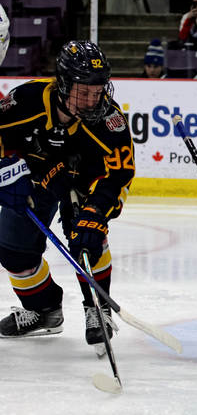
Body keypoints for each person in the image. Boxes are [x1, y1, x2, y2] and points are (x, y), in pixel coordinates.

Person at [0, 41, 135, 352]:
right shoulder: (27, 100)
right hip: (37, 178)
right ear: (62, 84)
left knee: (86, 238)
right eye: (83, 91)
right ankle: (45, 310)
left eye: (98, 90)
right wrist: (10, 171)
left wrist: (96, 213)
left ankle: (97, 306)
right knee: (13, 250)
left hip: (86, 183)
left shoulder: (109, 121)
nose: (92, 100)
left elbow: (119, 175)